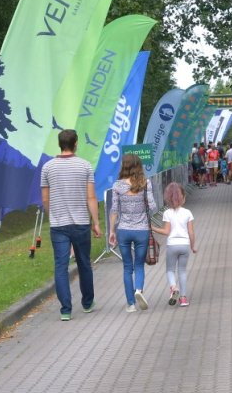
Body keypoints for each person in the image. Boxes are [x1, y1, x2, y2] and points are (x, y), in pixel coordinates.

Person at [40, 129, 101, 321]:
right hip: (81, 222)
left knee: (61, 266)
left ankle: (66, 309)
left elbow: (45, 199)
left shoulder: (47, 168)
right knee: (84, 263)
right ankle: (87, 302)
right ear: (75, 144)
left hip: (58, 224)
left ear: (60, 144)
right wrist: (96, 222)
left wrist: (52, 215)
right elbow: (91, 197)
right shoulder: (85, 166)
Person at [109, 153, 157, 313]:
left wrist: (112, 231)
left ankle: (130, 304)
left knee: (127, 267)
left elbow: (114, 210)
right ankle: (139, 290)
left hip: (123, 230)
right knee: (139, 265)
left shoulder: (117, 186)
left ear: (124, 166)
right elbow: (153, 206)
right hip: (141, 230)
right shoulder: (145, 183)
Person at [151, 182, 196, 307]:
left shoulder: (167, 213)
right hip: (185, 244)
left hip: (172, 245)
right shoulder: (188, 213)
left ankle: (173, 288)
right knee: (182, 271)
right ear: (183, 198)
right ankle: (183, 298)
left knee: (170, 270)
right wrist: (193, 246)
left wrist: (153, 228)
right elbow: (191, 232)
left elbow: (166, 232)